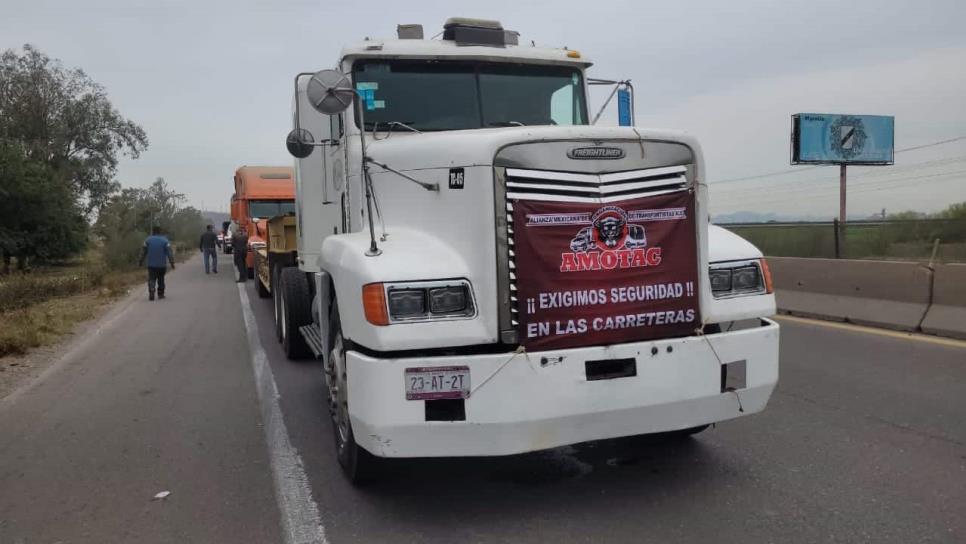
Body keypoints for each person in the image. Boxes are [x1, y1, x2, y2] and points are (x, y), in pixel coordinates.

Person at [138, 225, 176, 300]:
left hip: (151, 264)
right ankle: (160, 294)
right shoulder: (165, 241)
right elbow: (169, 253)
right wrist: (172, 263)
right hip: (162, 265)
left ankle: (152, 289)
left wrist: (140, 261)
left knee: (152, 278)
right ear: (160, 232)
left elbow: (143, 252)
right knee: (161, 279)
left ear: (153, 232)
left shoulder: (147, 240)